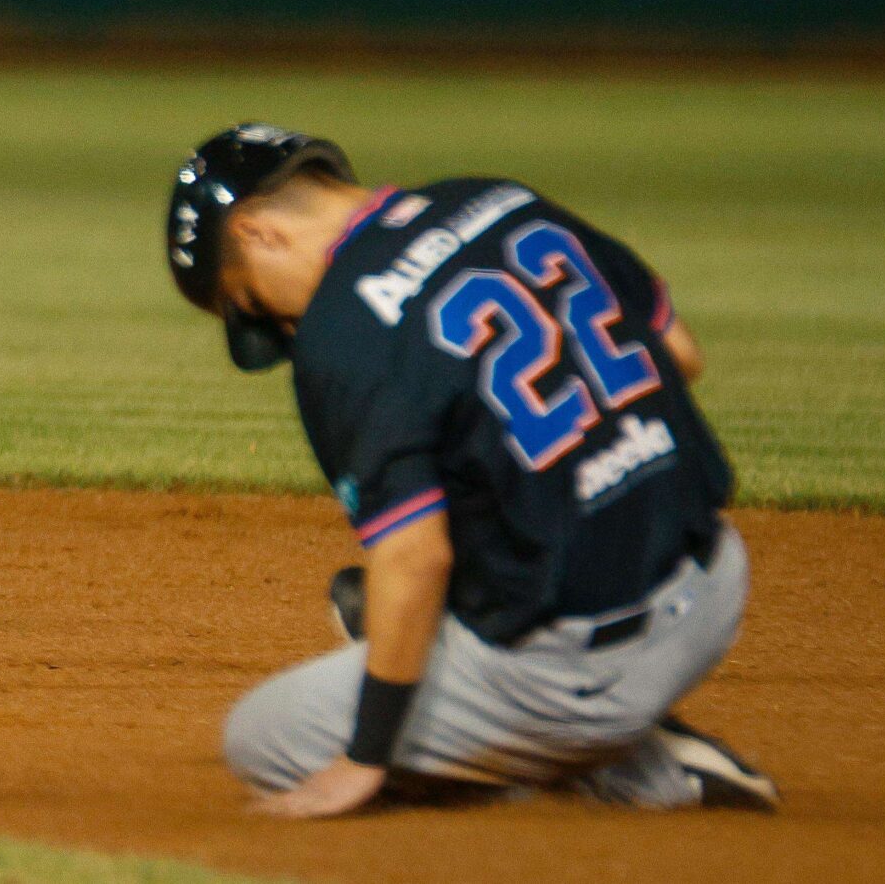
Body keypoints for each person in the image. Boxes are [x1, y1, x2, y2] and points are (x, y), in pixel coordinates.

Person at [163, 124, 778, 816]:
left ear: (258, 233)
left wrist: (362, 761)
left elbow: (416, 555)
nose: (272, 323)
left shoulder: (341, 331)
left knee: (265, 736)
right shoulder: (496, 198)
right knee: (367, 606)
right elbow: (680, 354)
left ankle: (633, 764)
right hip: (716, 575)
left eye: (247, 299)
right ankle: (589, 721)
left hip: (585, 671)